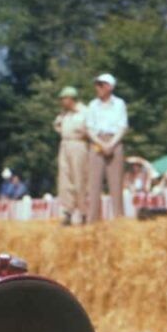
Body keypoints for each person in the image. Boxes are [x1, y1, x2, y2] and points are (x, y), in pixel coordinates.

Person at [84, 73, 128, 222]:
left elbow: (122, 126)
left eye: (101, 85)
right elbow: (89, 128)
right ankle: (93, 219)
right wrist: (101, 144)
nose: (98, 88)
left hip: (114, 140)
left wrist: (111, 144)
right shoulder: (92, 105)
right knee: (94, 183)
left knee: (116, 184)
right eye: (97, 85)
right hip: (97, 141)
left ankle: (118, 218)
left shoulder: (119, 104)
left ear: (110, 87)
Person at [54, 85, 90, 226]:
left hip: (78, 144)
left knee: (79, 179)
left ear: (71, 98)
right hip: (65, 144)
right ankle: (67, 212)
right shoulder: (64, 114)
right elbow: (57, 126)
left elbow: (89, 128)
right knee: (65, 179)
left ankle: (83, 213)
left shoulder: (84, 111)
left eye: (64, 98)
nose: (62, 101)